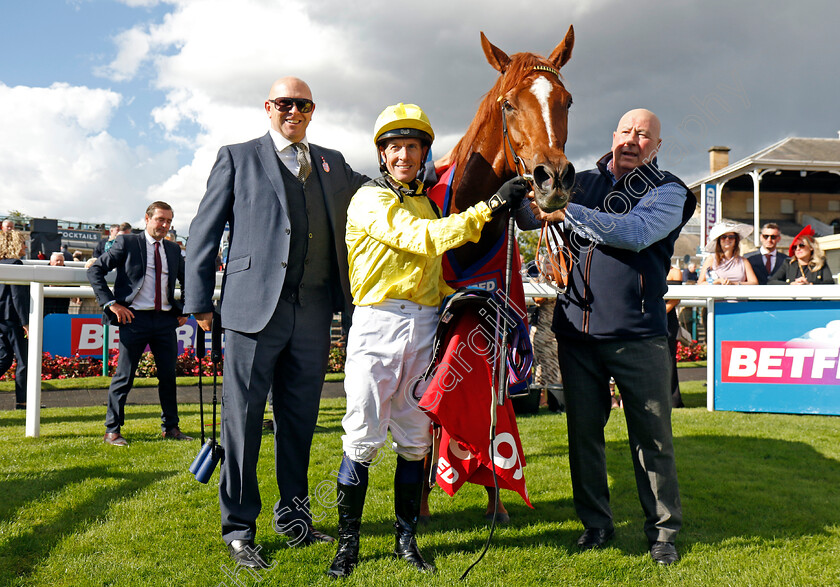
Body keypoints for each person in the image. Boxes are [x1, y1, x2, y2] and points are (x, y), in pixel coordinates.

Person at [326, 103, 526, 578]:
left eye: (412, 148)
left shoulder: (428, 201)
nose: (403, 156)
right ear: (382, 154)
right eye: (394, 148)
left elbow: (432, 272)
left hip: (423, 327)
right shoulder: (370, 200)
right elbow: (423, 239)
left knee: (415, 440)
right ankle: (348, 545)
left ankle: (406, 541)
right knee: (361, 436)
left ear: (423, 153)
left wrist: (470, 298)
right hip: (376, 327)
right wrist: (492, 205)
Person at [185, 76, 368, 570]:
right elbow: (203, 230)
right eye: (285, 103)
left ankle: (295, 519)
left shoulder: (334, 163)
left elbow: (380, 193)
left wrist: (433, 171)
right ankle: (240, 530)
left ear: (312, 110)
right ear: (268, 107)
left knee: (300, 422)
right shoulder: (236, 156)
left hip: (312, 314)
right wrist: (200, 300)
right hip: (250, 312)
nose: (294, 111)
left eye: (303, 104)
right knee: (242, 424)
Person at [525, 109, 695, 565]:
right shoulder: (575, 179)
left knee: (652, 437)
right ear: (613, 136)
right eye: (626, 131)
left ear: (656, 146)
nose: (632, 139)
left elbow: (635, 233)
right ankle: (596, 526)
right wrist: (518, 195)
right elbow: (529, 213)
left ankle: (662, 533)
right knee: (583, 436)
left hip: (638, 335)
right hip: (575, 335)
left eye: (644, 134)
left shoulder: (671, 190)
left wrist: (566, 209)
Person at [87, 201, 190, 447]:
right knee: (124, 376)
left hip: (165, 320)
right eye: (160, 220)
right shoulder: (127, 242)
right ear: (147, 219)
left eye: (168, 221)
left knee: (168, 376)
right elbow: (95, 271)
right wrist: (111, 303)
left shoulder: (174, 250)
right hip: (134, 319)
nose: (164, 225)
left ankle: (171, 427)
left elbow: (189, 281)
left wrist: (186, 309)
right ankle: (112, 430)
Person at [0, 230, 29, 410]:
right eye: (23, 243)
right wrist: (26, 323)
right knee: (24, 361)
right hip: (12, 320)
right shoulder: (16, 264)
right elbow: (18, 297)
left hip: (1, 320)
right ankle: (23, 402)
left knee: (4, 358)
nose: (25, 246)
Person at [769, 225, 834, 284]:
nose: (798, 249)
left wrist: (810, 284)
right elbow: (772, 282)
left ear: (811, 247)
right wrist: (791, 284)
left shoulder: (820, 264)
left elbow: (830, 283)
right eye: (795, 247)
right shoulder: (788, 264)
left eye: (801, 245)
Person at [665, 265, 684, 408]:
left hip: (666, 320)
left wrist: (656, 313)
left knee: (670, 358)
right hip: (648, 318)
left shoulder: (675, 272)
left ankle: (673, 399)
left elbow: (675, 299)